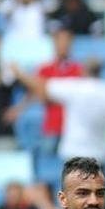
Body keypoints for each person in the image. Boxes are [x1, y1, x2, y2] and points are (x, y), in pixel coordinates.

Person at [9, 61, 105, 161]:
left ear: (84, 72)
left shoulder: (77, 88)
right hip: (99, 155)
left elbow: (43, 87)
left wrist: (20, 74)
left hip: (74, 153)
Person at [37, 28, 86, 156]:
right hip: (52, 127)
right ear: (54, 42)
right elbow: (43, 97)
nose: (63, 45)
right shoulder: (44, 69)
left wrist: (55, 92)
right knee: (47, 168)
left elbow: (82, 97)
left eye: (67, 41)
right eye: (60, 41)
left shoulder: (79, 69)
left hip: (73, 129)